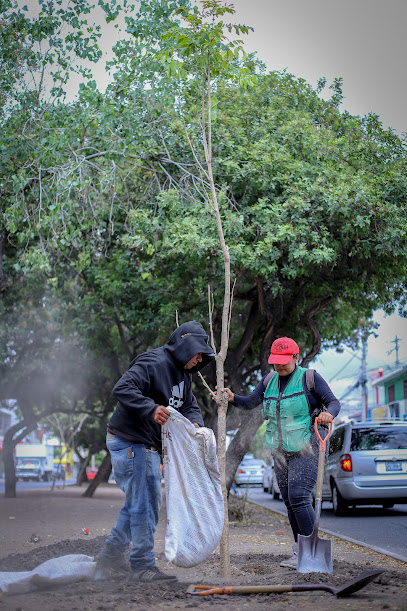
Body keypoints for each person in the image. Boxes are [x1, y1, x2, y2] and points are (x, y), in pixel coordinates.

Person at [96, 321, 215, 583]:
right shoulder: (153, 362)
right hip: (130, 442)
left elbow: (190, 406)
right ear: (185, 346)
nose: (199, 359)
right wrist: (150, 408)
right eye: (197, 353)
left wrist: (195, 423)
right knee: (144, 505)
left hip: (145, 445)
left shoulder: (185, 375)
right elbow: (122, 388)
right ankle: (141, 566)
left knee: (139, 503)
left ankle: (110, 556)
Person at [221, 337, 340, 569]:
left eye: (285, 361)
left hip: (308, 446)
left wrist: (329, 415)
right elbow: (251, 402)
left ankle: (311, 553)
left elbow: (333, 402)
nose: (279, 366)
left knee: (298, 496)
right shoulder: (269, 381)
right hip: (280, 450)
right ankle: (299, 552)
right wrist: (233, 398)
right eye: (276, 362)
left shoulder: (310, 378)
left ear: (296, 357)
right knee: (288, 500)